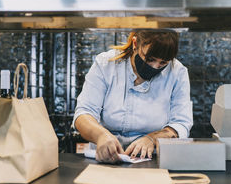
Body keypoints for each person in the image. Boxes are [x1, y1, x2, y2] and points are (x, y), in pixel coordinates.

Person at [73, 30, 193, 163]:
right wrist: (101, 135)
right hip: (105, 158)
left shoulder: (178, 72)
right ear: (135, 43)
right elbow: (84, 113)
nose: (155, 67)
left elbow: (181, 123)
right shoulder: (106, 64)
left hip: (151, 160)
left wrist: (152, 139)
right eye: (150, 59)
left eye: (163, 63)